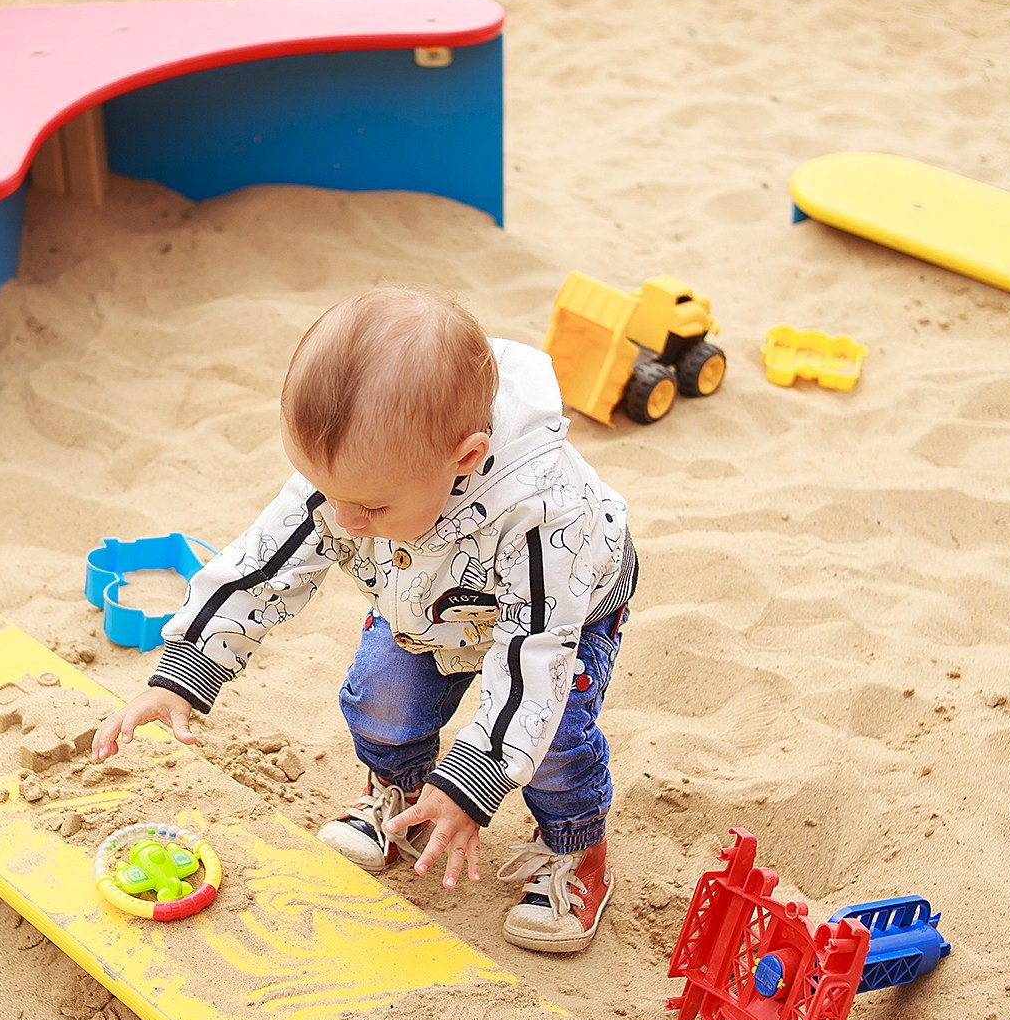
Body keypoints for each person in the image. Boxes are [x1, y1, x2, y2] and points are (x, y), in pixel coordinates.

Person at [90, 285, 636, 954]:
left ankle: (575, 849)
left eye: (368, 508)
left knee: (551, 742)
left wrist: (473, 782)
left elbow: (531, 660)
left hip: (558, 615)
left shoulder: (544, 514)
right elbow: (263, 565)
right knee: (380, 691)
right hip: (426, 602)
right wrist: (182, 672)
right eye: (330, 495)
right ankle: (402, 796)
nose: (343, 521)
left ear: (463, 458)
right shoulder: (350, 483)